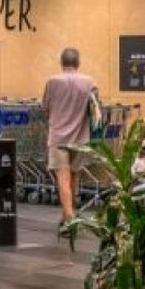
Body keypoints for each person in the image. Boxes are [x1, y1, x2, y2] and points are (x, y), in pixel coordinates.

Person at [41, 47, 99, 226]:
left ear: (61, 62)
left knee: (63, 177)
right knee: (74, 175)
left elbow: (45, 108)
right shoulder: (90, 83)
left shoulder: (52, 82)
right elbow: (95, 111)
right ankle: (69, 212)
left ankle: (69, 217)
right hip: (81, 137)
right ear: (78, 62)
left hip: (58, 137)